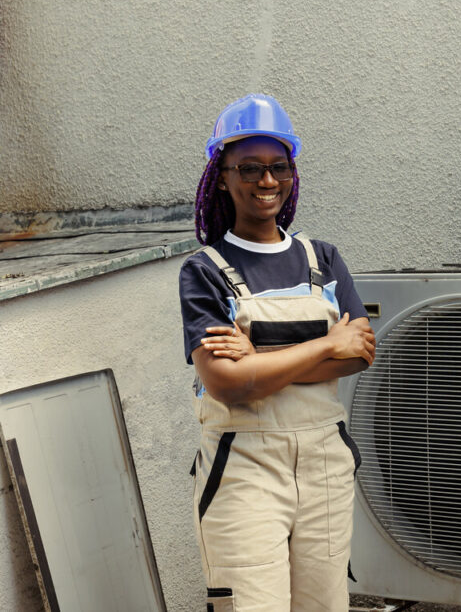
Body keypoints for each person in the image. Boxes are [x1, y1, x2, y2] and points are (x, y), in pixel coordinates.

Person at [178, 93, 375, 612]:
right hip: (244, 465)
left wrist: (261, 359)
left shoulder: (323, 258)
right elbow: (227, 385)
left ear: (291, 172)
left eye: (278, 167)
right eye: (249, 168)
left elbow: (360, 355)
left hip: (324, 465)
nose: (266, 182)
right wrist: (327, 343)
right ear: (221, 174)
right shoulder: (204, 271)